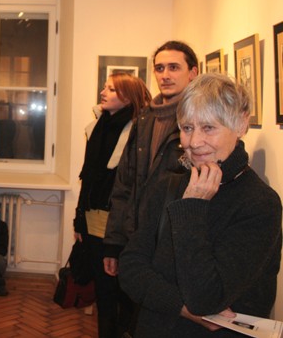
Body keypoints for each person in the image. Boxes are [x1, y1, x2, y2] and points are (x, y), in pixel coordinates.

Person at [118, 73, 282, 337]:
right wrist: (181, 307)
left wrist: (193, 207)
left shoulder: (259, 203)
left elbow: (206, 298)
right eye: (187, 128)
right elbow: (130, 268)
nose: (193, 142)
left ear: (241, 124)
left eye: (208, 128)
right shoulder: (167, 186)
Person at [103, 41, 199, 277]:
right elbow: (124, 185)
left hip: (174, 244)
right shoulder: (144, 119)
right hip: (136, 240)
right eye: (159, 68)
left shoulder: (201, 123)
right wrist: (114, 243)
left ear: (193, 73)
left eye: (174, 67)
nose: (165, 75)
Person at [74, 73, 151, 338]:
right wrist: (79, 219)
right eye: (104, 87)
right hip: (93, 217)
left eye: (111, 89)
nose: (102, 92)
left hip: (121, 222)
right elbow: (87, 177)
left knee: (124, 290)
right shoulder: (98, 126)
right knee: (104, 290)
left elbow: (132, 185)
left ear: (128, 97)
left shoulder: (139, 132)